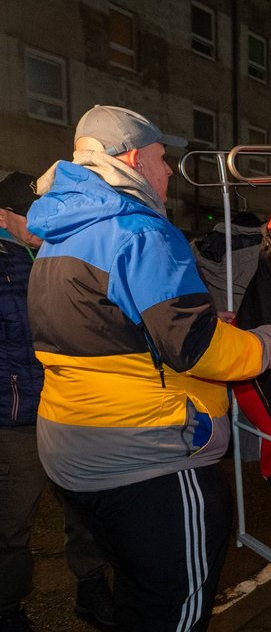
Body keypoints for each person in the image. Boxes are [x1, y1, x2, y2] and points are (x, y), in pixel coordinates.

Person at [25, 105, 271, 631]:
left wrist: (199, 323)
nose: (170, 171)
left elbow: (106, 328)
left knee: (138, 593)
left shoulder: (60, 232)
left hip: (72, 450)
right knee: (175, 608)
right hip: (148, 461)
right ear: (132, 160)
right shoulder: (139, 231)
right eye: (162, 158)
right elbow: (200, 351)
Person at [0, 172, 117, 630]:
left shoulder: (58, 252)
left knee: (85, 503)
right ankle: (8, 607)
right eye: (28, 215)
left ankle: (91, 585)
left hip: (70, 405)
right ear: (3, 216)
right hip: (17, 417)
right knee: (12, 521)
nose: (39, 222)